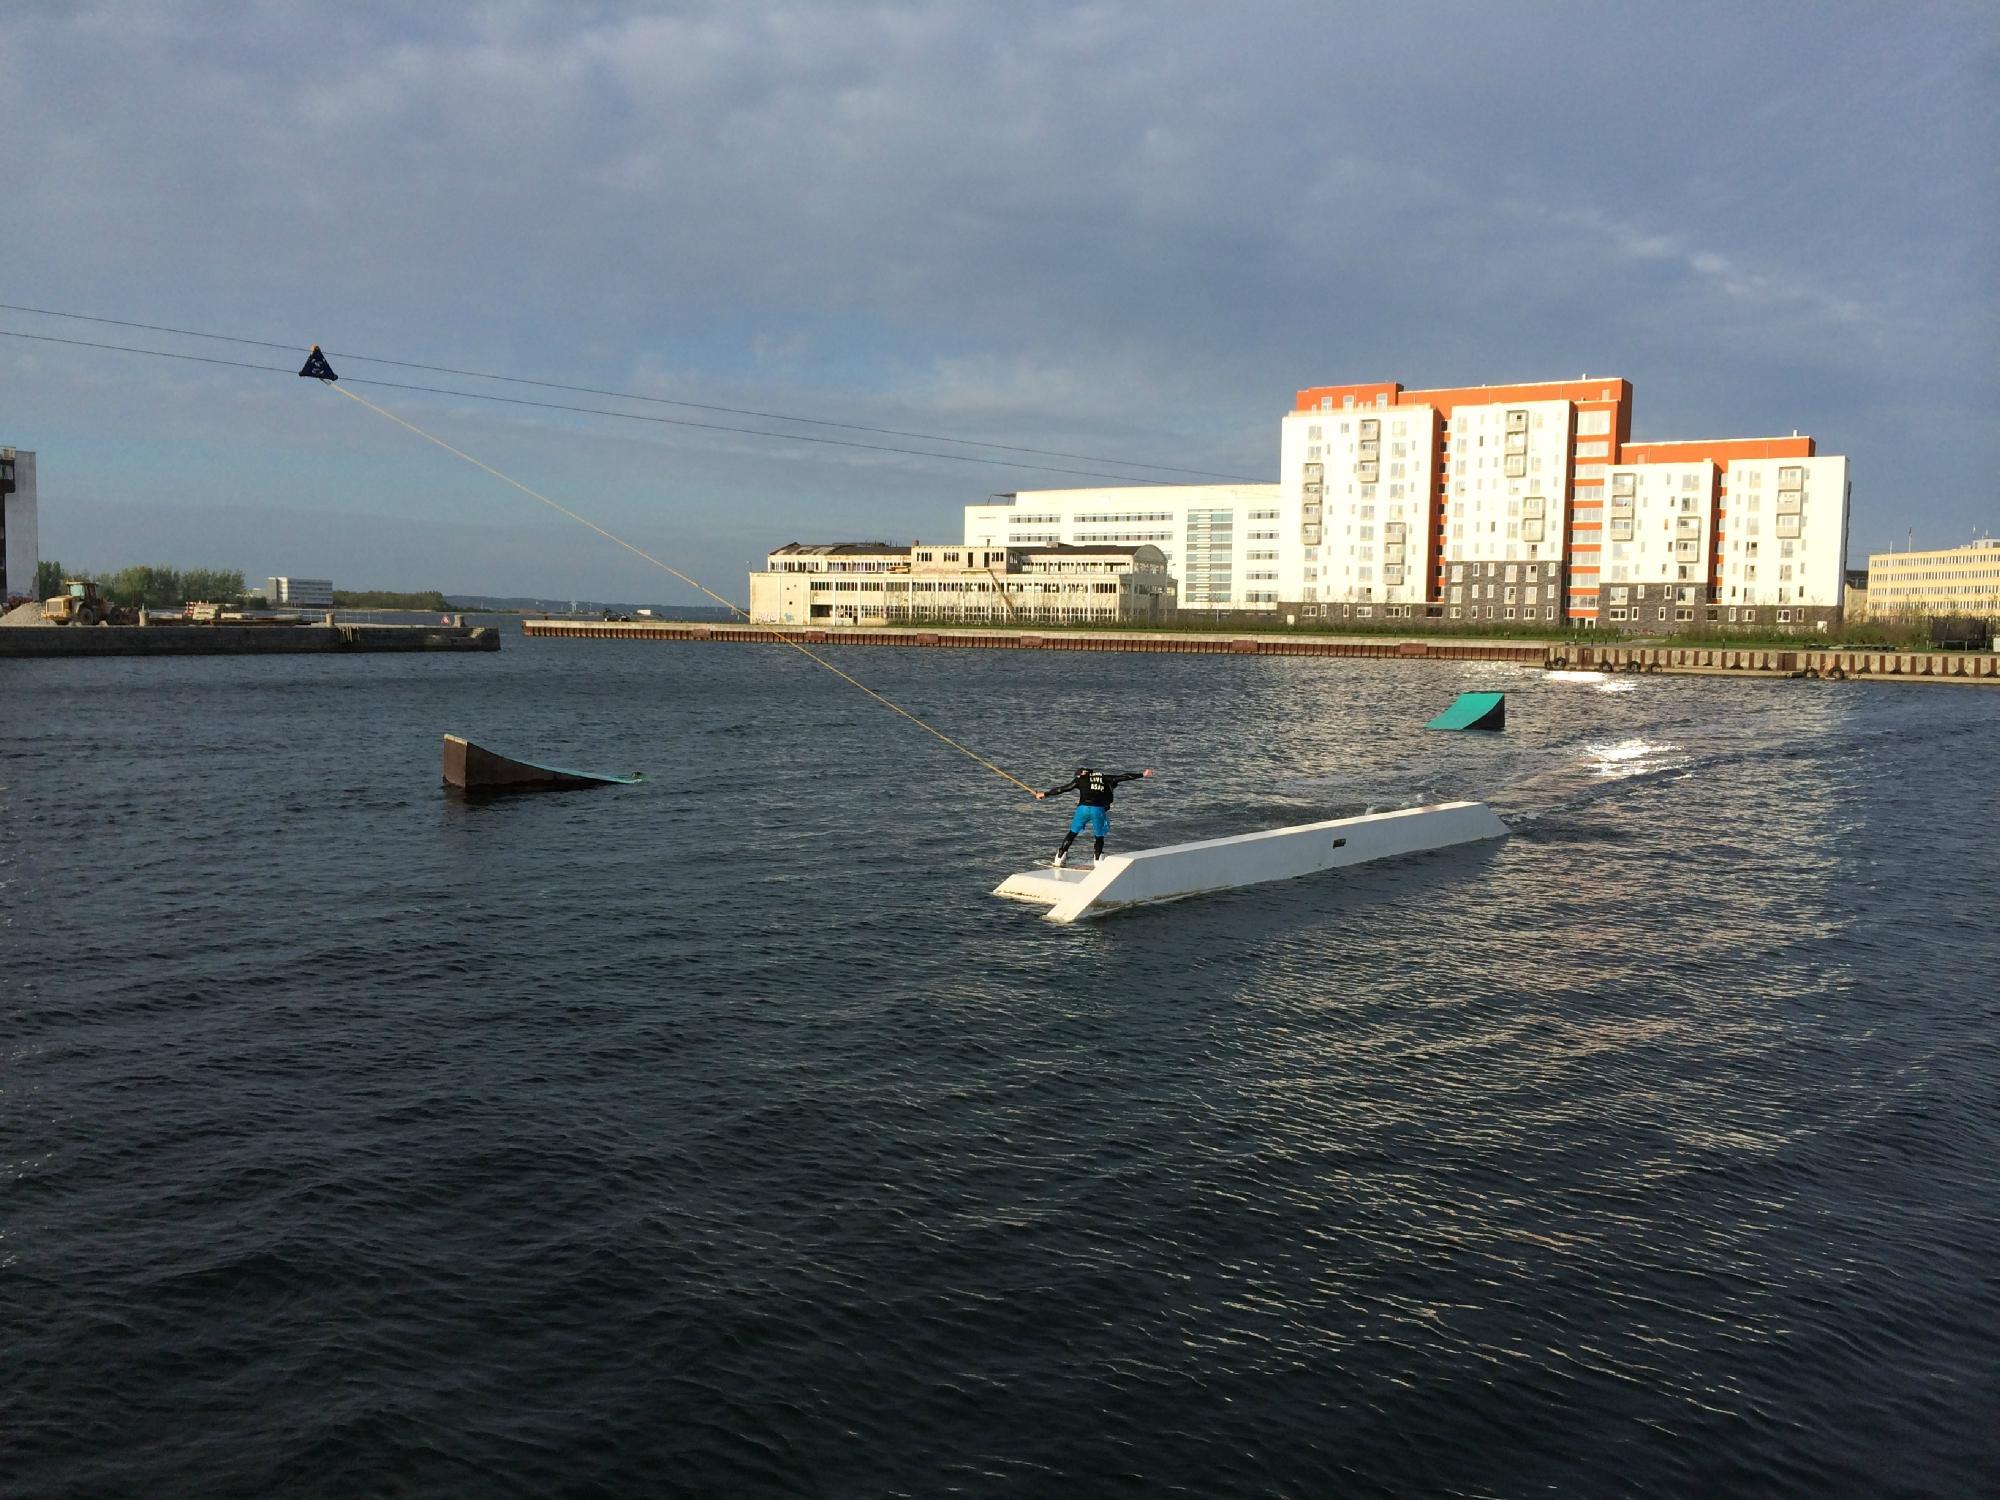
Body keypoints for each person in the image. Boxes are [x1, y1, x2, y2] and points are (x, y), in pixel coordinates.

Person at [1036, 766, 1154, 867]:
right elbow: (1125, 776)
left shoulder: (1080, 779)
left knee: (1072, 833)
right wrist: (1143, 774)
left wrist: (1045, 794)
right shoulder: (1105, 778)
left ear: (1081, 774)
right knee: (1099, 835)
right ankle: (1098, 859)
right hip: (1098, 810)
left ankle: (1060, 857)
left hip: (1083, 809)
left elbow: (1063, 789)